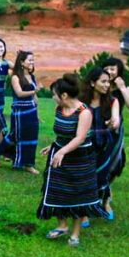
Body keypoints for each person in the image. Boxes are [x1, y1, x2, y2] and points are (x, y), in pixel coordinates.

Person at [37, 74, 105, 246]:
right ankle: (62, 225)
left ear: (64, 95)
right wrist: (54, 146)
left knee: (78, 194)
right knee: (59, 190)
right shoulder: (59, 109)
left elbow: (80, 138)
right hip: (61, 153)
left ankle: (75, 234)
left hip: (80, 158)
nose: (53, 97)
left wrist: (62, 152)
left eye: (54, 94)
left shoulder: (84, 112)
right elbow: (61, 132)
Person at [100, 57, 129, 220]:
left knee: (115, 165)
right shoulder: (100, 86)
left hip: (115, 134)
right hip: (98, 129)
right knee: (98, 165)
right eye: (107, 68)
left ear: (119, 71)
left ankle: (105, 201)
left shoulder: (125, 89)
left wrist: (122, 87)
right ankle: (96, 201)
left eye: (113, 68)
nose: (110, 71)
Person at [81, 67, 121, 212]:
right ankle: (83, 211)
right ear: (92, 83)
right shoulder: (81, 101)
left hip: (104, 145)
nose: (107, 85)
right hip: (84, 144)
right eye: (103, 82)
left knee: (102, 175)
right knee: (85, 175)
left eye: (108, 82)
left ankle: (104, 202)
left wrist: (114, 122)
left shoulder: (112, 101)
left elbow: (115, 119)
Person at [0, 50, 40, 174]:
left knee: (32, 136)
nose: (32, 62)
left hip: (31, 111)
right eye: (30, 60)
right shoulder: (15, 77)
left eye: (32, 60)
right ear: (22, 62)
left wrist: (37, 111)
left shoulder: (32, 76)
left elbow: (35, 97)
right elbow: (19, 93)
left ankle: (28, 164)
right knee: (15, 136)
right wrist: (35, 91)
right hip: (20, 111)